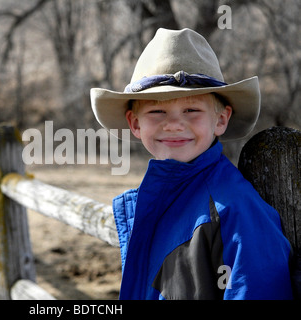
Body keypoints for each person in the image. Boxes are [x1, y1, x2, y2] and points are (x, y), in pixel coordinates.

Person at [90, 28, 293, 300]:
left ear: (220, 120)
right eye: (157, 111)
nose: (174, 124)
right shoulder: (160, 198)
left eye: (191, 110)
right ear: (135, 124)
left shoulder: (235, 211)